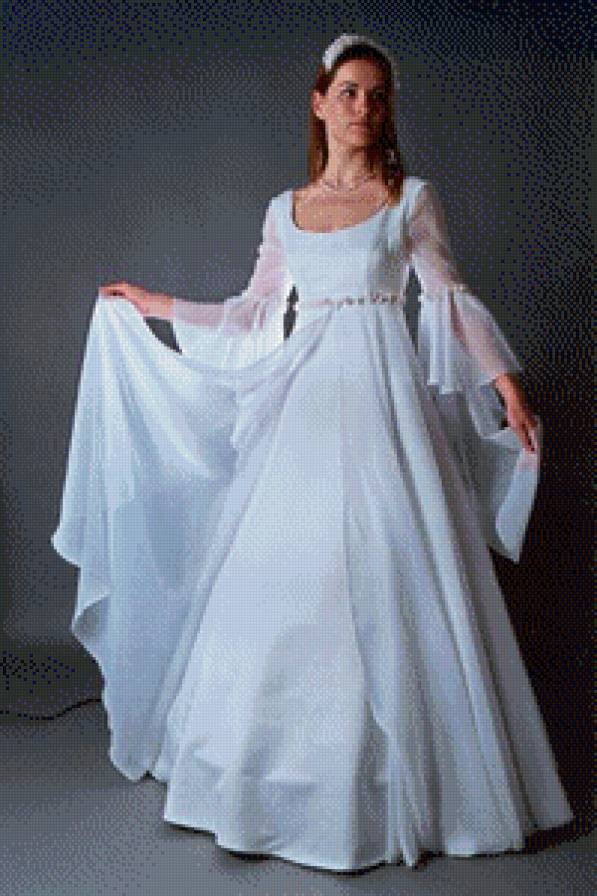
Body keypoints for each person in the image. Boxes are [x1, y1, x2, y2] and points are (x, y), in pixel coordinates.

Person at [53, 33, 573, 873]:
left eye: (376, 95)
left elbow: (449, 298)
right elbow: (256, 315)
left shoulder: (410, 201)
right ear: (320, 103)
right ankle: (274, 787)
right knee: (293, 573)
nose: (363, 107)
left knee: (394, 565)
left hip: (384, 403)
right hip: (307, 403)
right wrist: (156, 304)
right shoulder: (283, 210)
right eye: (349, 92)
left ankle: (411, 785)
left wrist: (504, 385)